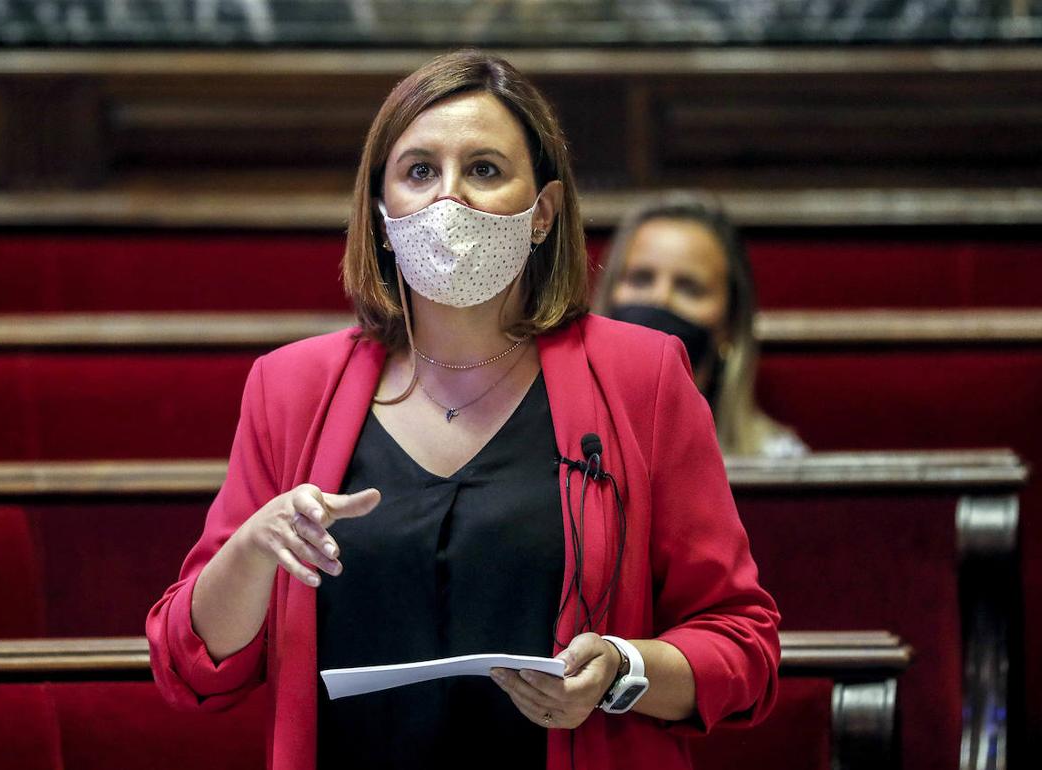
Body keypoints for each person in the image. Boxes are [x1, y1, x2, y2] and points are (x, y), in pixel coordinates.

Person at [147, 50, 780, 770]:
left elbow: (743, 642)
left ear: (541, 213)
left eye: (483, 169)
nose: (450, 199)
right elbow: (188, 662)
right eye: (419, 171)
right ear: (384, 218)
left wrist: (622, 671)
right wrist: (254, 549)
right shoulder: (291, 387)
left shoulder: (642, 377)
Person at [593, 194, 808, 458]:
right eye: (641, 279)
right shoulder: (557, 442)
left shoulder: (776, 461)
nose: (660, 299)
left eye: (689, 288)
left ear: (729, 324)